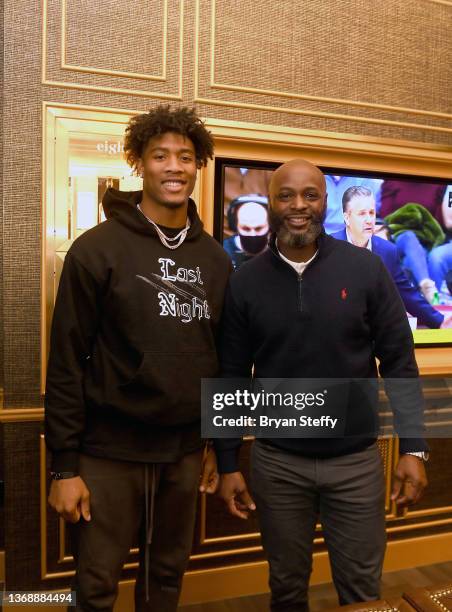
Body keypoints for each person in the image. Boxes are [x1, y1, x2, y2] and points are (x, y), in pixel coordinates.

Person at [214, 159, 428, 612]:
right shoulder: (245, 282)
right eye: (286, 196)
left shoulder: (366, 270)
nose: (298, 206)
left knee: (362, 593)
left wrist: (414, 448)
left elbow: (399, 363)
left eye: (309, 195)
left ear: (325, 202)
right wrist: (228, 460)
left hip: (355, 465)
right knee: (286, 590)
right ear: (271, 203)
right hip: (277, 466)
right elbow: (230, 374)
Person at [45, 105, 231, 612]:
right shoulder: (96, 250)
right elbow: (66, 361)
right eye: (161, 156)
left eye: (186, 157)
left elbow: (217, 359)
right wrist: (64, 468)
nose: (175, 167)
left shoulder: (215, 259)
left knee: (166, 579)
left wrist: (212, 442)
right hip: (109, 452)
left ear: (199, 167)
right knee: (97, 584)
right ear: (139, 163)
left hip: (184, 451)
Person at [331, 186, 452, 329]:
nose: (369, 220)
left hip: (374, 332)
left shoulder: (387, 250)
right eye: (362, 214)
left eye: (372, 213)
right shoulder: (330, 248)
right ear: (347, 217)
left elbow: (406, 293)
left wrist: (438, 320)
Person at [223, 195, 269, 269]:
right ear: (235, 226)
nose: (253, 234)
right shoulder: (223, 251)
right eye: (246, 229)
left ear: (270, 226)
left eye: (258, 228)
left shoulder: (281, 252)